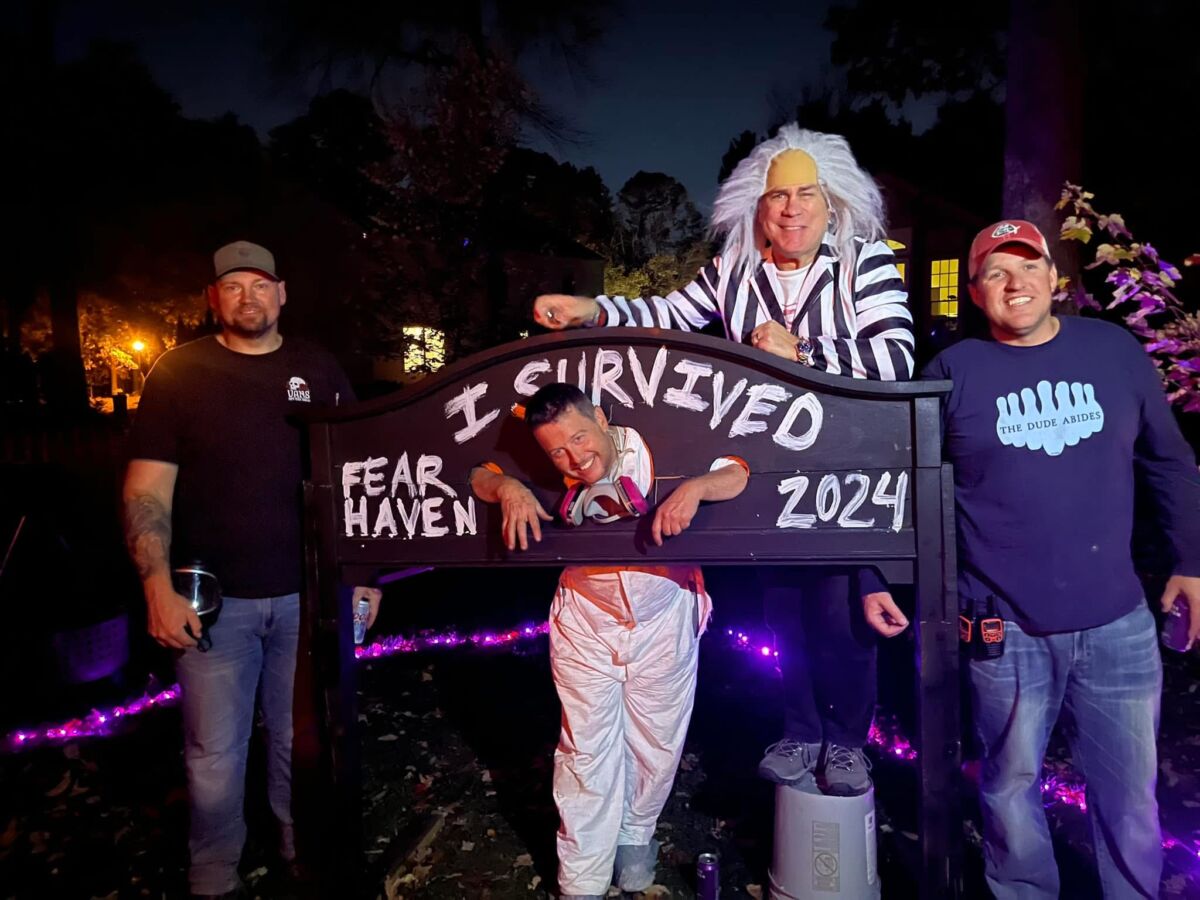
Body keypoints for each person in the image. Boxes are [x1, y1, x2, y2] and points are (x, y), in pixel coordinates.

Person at [533, 124, 913, 794]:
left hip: (841, 471)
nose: (791, 209)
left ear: (830, 203)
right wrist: (593, 310)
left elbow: (895, 359)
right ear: (757, 208)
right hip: (767, 469)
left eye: (806, 194)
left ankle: (849, 742)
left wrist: (803, 353)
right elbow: (668, 317)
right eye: (777, 197)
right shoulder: (734, 271)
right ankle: (801, 731)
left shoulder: (865, 261)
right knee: (783, 613)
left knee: (839, 614)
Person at [914, 220, 1200, 899]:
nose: (1014, 283)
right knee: (1010, 792)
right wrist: (878, 577)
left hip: (1117, 621)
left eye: (1027, 266)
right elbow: (907, 488)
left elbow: (1168, 461)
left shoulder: (1112, 351)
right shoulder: (952, 372)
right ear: (976, 292)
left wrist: (1191, 561)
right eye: (995, 272)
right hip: (1003, 627)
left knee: (1130, 800)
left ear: (1054, 277)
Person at [123, 240, 382, 900]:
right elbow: (146, 491)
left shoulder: (316, 367)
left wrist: (363, 576)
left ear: (282, 293)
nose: (248, 297)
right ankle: (213, 873)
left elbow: (359, 476)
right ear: (214, 298)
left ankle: (301, 851)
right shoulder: (178, 373)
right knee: (214, 751)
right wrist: (155, 586)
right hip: (214, 602)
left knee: (302, 740)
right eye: (233, 286)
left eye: (260, 284)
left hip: (307, 596)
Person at [470, 382, 749, 900]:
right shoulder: (545, 465)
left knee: (656, 744)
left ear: (601, 417)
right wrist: (506, 486)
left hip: (664, 615)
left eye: (580, 437)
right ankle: (582, 879)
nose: (575, 458)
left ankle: (634, 840)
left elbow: (740, 467)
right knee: (586, 750)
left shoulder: (654, 443)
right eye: (557, 451)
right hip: (587, 617)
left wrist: (696, 487)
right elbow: (475, 471)